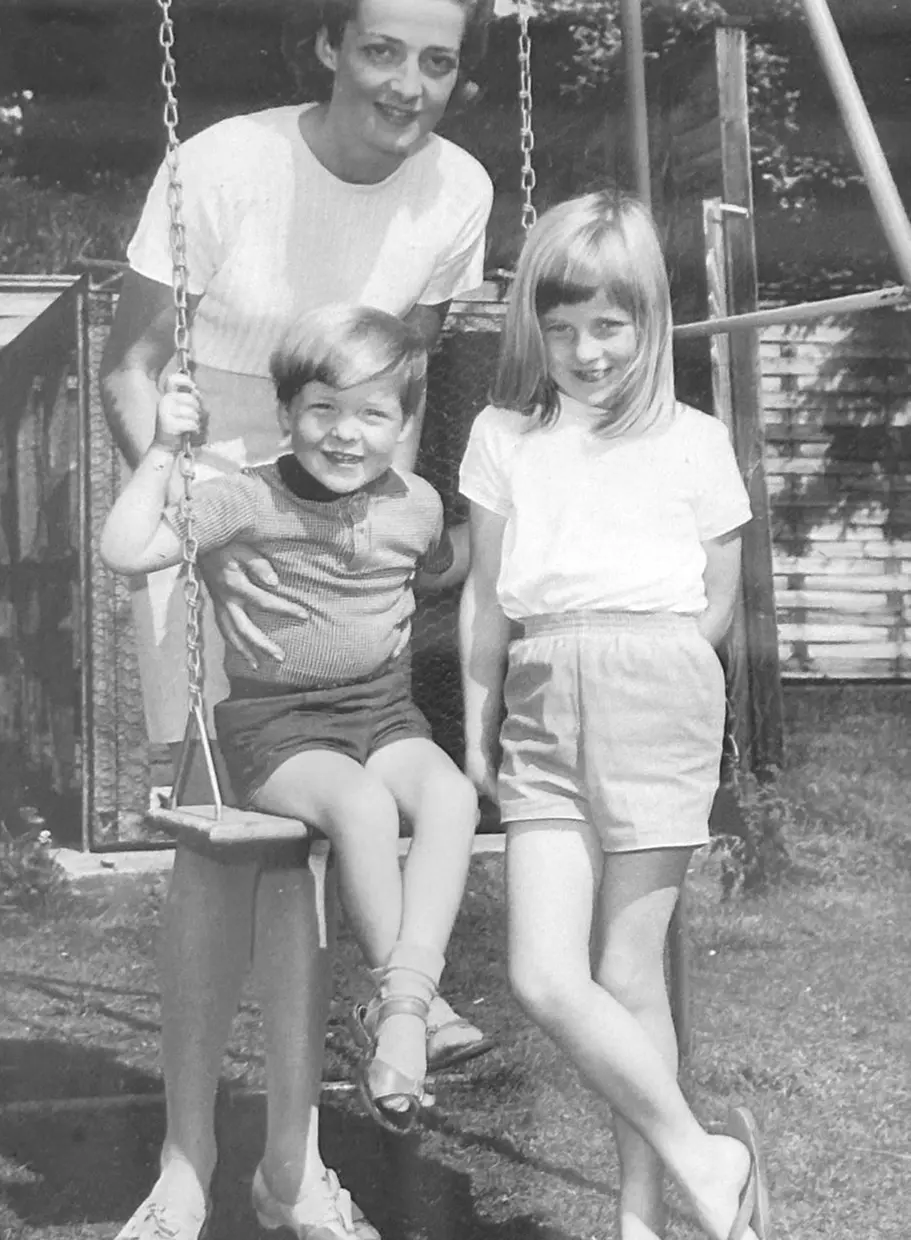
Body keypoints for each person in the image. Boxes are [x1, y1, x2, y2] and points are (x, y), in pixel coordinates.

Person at [99, 3, 495, 1237]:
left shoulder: (459, 191)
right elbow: (131, 364)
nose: (406, 85)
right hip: (213, 503)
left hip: (337, 525)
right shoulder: (221, 164)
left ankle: (289, 1165)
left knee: (329, 837)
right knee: (226, 851)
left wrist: (368, 527)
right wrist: (201, 516)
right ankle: (183, 1161)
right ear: (328, 46)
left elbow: (406, 380)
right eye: (382, 50)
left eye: (437, 60)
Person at [459, 190, 773, 1240]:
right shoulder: (504, 436)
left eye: (609, 326)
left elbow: (717, 597)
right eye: (560, 329)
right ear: (530, 330)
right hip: (541, 694)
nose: (586, 351)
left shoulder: (693, 439)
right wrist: (475, 727)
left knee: (627, 970)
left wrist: (665, 669)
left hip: (655, 684)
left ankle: (642, 1214)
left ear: (649, 323)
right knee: (543, 973)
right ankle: (706, 1157)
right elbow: (482, 594)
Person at [102, 303, 480, 1135]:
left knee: (451, 798)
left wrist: (516, 500)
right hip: (280, 730)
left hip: (382, 713)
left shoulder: (414, 505)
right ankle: (408, 1011)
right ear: (285, 414)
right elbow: (126, 552)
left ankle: (403, 1003)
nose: (346, 435)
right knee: (362, 807)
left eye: (373, 415)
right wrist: (165, 450)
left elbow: (451, 559)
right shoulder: (244, 499)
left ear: (404, 424)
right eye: (323, 410)